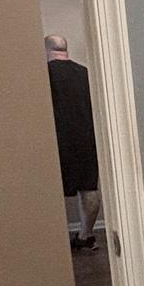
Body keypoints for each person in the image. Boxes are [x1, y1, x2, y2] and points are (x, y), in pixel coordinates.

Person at [45, 34, 101, 250]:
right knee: (89, 187)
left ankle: (54, 244)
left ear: (47, 49)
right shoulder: (84, 73)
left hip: (57, 138)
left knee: (51, 188)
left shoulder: (44, 74)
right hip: (87, 136)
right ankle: (87, 235)